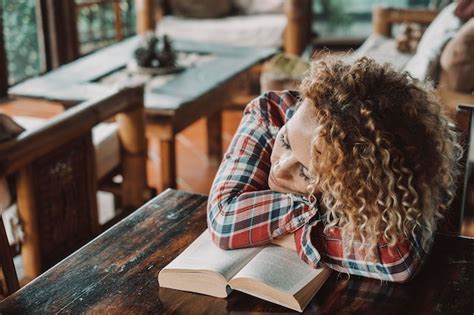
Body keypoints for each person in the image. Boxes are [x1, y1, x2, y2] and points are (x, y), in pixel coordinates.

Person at [207, 56, 461, 283]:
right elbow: (223, 218)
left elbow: (396, 258)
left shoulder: (381, 191)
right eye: (285, 141)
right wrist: (308, 222)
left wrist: (286, 233)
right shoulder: (270, 113)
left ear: (352, 190)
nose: (281, 168)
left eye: (306, 173)